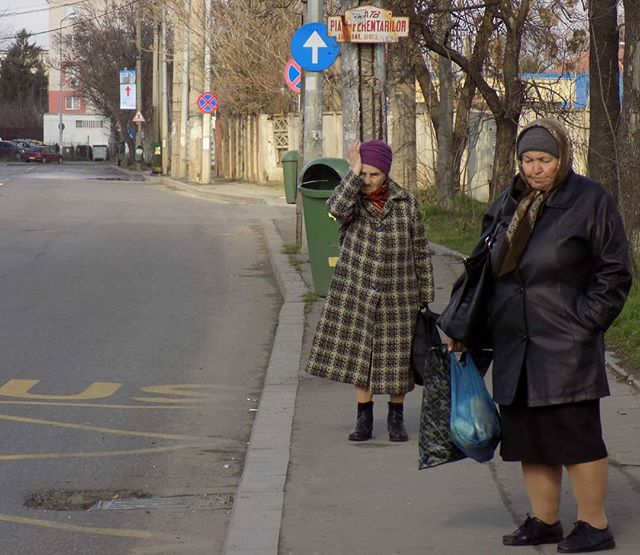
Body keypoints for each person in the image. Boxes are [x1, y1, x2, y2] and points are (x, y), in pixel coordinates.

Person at [444, 118, 632, 553]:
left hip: (567, 344)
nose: (535, 168)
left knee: (575, 437)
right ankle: (545, 520)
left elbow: (616, 272)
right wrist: (465, 327)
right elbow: (484, 269)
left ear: (561, 159)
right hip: (516, 341)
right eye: (527, 160)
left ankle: (593, 524)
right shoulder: (510, 202)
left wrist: (586, 320)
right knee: (528, 437)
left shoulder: (590, 201)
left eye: (544, 160)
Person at [305, 139, 434, 442]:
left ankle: (396, 418)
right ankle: (363, 418)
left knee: (397, 359)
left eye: (374, 174)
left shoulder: (407, 202)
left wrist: (425, 295)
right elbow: (334, 209)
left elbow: (420, 249)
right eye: (363, 174)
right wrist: (352, 171)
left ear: (386, 173)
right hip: (358, 290)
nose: (367, 180)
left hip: (399, 293)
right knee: (362, 357)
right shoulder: (352, 200)